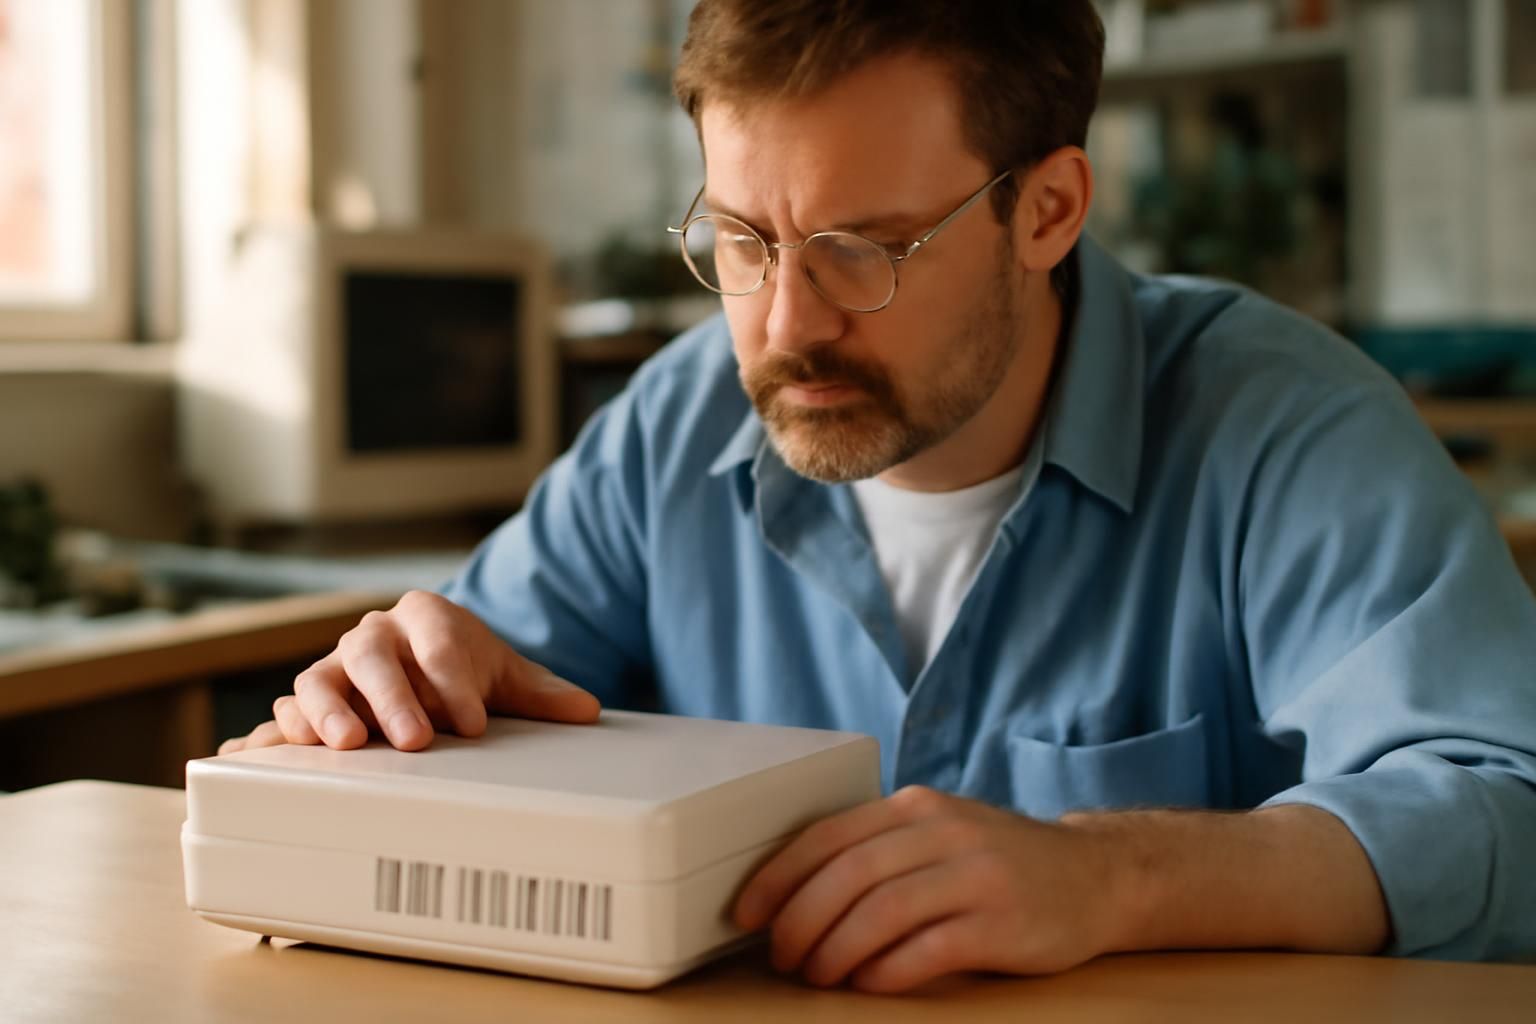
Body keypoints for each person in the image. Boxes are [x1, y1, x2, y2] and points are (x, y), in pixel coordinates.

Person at [221, 0, 1536, 993]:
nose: (786, 326)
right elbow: (467, 713)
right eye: (743, 241)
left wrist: (1112, 877)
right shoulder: (680, 419)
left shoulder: (1286, 425)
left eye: (863, 250)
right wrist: (387, 714)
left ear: (1051, 210)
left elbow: (1507, 814)